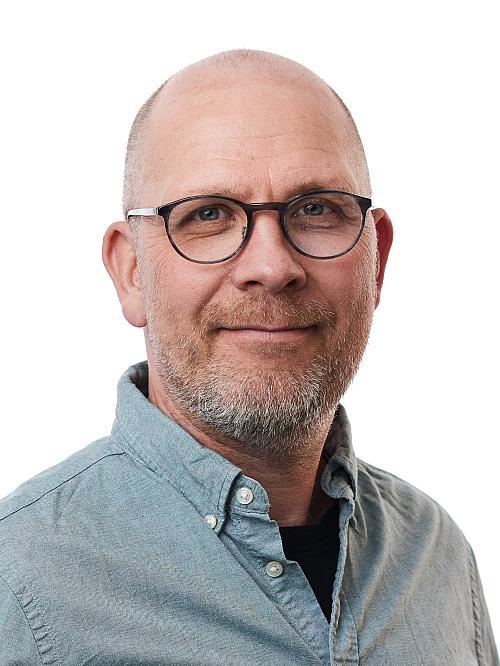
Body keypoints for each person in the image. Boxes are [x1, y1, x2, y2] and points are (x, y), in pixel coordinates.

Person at [0, 49, 497, 665]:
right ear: (131, 273)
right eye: (207, 215)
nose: (271, 266)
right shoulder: (17, 586)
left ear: (377, 261)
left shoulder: (438, 558)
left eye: (316, 209)